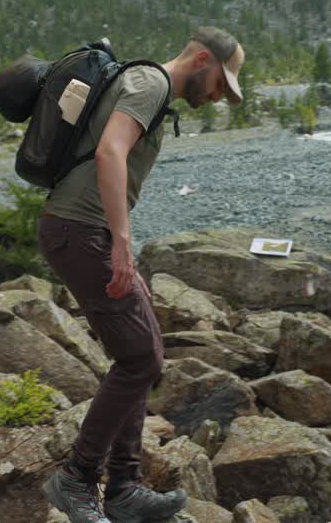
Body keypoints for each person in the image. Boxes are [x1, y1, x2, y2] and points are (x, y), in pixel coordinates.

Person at [39, 27, 246, 523]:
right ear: (201, 59)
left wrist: (118, 249)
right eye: (221, 82)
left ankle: (126, 488)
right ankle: (77, 479)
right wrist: (122, 247)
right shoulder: (150, 84)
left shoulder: (152, 90)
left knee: (144, 354)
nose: (219, 95)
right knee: (138, 359)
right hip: (78, 229)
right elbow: (111, 152)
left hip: (86, 231)